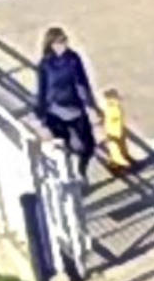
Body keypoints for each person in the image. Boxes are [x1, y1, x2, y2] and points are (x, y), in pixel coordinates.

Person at [35, 27, 103, 179]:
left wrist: (91, 105)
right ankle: (68, 177)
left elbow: (82, 83)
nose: (64, 44)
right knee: (61, 148)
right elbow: (41, 90)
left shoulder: (73, 59)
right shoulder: (45, 65)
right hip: (55, 112)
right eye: (59, 41)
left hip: (75, 109)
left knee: (87, 147)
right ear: (51, 44)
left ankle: (81, 170)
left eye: (65, 40)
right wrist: (40, 116)